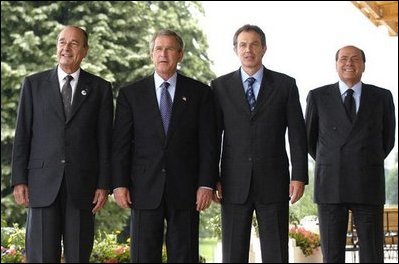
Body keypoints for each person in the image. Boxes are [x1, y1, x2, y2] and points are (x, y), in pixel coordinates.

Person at [112, 29, 217, 263]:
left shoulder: (200, 93)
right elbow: (121, 145)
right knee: (143, 255)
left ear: (180, 55)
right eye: (158, 49)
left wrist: (206, 184)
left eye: (169, 49)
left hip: (186, 190)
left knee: (184, 254)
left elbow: (208, 144)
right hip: (143, 189)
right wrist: (119, 184)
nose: (163, 54)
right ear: (151, 54)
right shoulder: (131, 94)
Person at [11, 25, 113, 263]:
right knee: (41, 255)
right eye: (61, 42)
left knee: (78, 254)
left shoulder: (100, 88)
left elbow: (105, 141)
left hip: (83, 186)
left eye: (74, 43)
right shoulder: (33, 85)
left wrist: (104, 183)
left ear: (85, 50)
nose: (66, 48)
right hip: (41, 184)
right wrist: (19, 179)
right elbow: (22, 134)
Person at [211, 24, 308, 263]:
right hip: (233, 183)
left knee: (276, 252)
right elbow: (213, 136)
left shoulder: (286, 85)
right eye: (243, 45)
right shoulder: (220, 87)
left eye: (254, 44)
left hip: (274, 182)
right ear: (235, 50)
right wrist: (212, 177)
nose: (248, 50)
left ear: (264, 48)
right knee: (234, 253)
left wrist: (299, 176)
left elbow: (297, 134)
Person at [305, 45, 396, 263]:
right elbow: (310, 140)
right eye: (343, 59)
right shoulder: (318, 96)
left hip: (368, 183)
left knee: (372, 254)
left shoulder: (381, 96)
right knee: (332, 254)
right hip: (330, 183)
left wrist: (364, 160)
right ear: (336, 64)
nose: (349, 63)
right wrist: (335, 161)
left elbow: (388, 140)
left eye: (355, 59)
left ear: (363, 65)